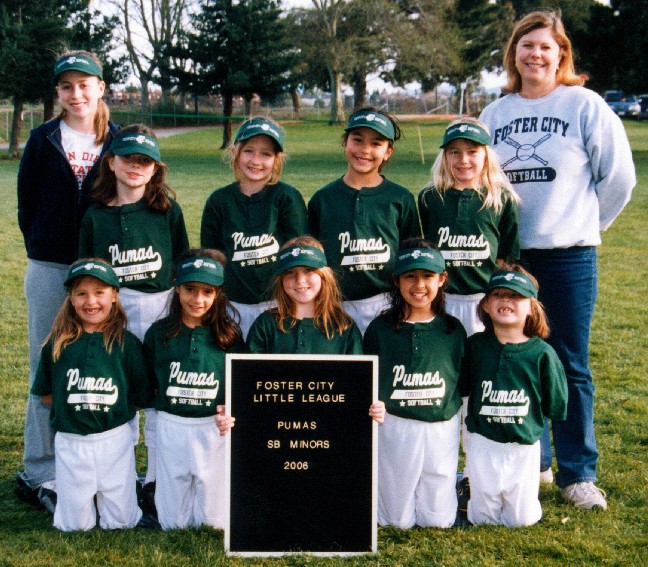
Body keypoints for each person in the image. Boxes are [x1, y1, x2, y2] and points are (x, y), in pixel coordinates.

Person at [479, 10, 635, 510]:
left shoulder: (584, 104)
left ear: (561, 54)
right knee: (514, 358)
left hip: (569, 256)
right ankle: (535, 460)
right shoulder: (494, 114)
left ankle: (577, 473)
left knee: (568, 362)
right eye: (526, 46)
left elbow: (618, 179)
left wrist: (586, 227)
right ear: (514, 55)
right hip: (511, 262)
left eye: (545, 46)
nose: (536, 54)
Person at [16, 50, 121, 511]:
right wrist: (44, 246)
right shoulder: (42, 140)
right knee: (47, 360)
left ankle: (105, 464)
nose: (76, 95)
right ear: (57, 93)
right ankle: (40, 469)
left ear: (101, 87)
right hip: (51, 266)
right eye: (66, 87)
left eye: (85, 85)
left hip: (102, 273)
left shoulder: (119, 141)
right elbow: (26, 204)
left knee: (104, 362)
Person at [78, 124, 189, 506]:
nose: (135, 167)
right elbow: (86, 270)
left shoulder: (166, 210)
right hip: (113, 308)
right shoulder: (96, 215)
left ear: (156, 168)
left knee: (160, 392)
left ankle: (156, 480)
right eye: (128, 159)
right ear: (110, 163)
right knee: (118, 389)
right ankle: (118, 480)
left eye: (145, 161)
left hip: (159, 304)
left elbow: (181, 262)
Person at [418, 117, 520, 508]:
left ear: (486, 155)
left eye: (472, 152)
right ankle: (441, 471)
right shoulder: (431, 198)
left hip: (482, 304)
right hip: (441, 304)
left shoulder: (500, 199)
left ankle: (481, 475)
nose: (464, 160)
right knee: (442, 385)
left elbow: (509, 257)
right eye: (455, 152)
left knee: (482, 386)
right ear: (445, 156)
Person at [30, 259, 152, 531]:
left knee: (120, 521)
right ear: (71, 299)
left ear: (114, 296)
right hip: (71, 441)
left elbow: (142, 396)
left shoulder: (126, 343)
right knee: (74, 525)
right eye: (81, 293)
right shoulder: (57, 343)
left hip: (114, 438)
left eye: (100, 292)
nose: (91, 301)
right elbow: (46, 395)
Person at [217, 237, 384, 435]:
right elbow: (246, 388)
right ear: (280, 279)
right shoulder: (266, 325)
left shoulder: (343, 327)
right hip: (275, 434)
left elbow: (357, 390)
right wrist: (231, 411)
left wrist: (374, 407)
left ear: (324, 275)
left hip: (328, 436)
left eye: (309, 270)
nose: (300, 280)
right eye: (290, 273)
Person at [364, 239, 466, 529]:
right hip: (396, 422)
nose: (419, 285)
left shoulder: (452, 329)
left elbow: (461, 377)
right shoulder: (380, 329)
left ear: (442, 279)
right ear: (397, 281)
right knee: (395, 519)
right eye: (410, 276)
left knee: (439, 518)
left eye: (428, 276)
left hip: (440, 422)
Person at [459, 265, 568, 527]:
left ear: (532, 307)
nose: (506, 300)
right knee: (482, 518)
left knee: (522, 519)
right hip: (483, 440)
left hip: (522, 444)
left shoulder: (542, 353)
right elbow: (462, 388)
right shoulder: (475, 346)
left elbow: (556, 403)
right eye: (498, 294)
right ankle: (463, 483)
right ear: (485, 305)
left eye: (516, 296)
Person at [144, 249, 243, 530]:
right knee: (172, 520)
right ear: (176, 288)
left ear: (218, 294)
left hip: (212, 425)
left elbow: (238, 385)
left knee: (214, 521)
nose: (197, 299)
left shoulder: (229, 336)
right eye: (190, 289)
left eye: (207, 292)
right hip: (172, 423)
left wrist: (229, 409)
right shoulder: (159, 334)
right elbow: (149, 382)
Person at [308, 107, 421, 334]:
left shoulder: (399, 198)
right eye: (357, 140)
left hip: (388, 302)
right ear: (345, 143)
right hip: (336, 303)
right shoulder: (323, 199)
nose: (365, 150)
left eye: (376, 143)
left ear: (388, 151)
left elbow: (411, 257)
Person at [200, 116, 308, 337]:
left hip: (279, 305)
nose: (256, 160)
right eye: (249, 150)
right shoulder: (219, 201)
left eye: (266, 153)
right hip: (232, 306)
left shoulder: (287, 198)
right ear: (235, 152)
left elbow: (299, 256)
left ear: (277, 159)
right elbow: (212, 257)